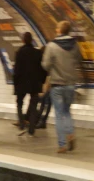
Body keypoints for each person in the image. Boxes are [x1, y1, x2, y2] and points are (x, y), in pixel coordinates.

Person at [41, 20, 82, 153]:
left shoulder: (52, 46)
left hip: (57, 84)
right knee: (67, 111)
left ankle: (62, 144)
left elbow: (45, 65)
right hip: (70, 84)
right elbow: (78, 60)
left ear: (59, 30)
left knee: (58, 114)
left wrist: (54, 66)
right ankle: (70, 133)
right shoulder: (75, 45)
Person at [12, 32, 46, 136]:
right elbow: (43, 69)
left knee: (19, 103)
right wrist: (42, 81)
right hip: (35, 83)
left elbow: (17, 70)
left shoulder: (19, 52)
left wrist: (15, 83)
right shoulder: (38, 53)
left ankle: (22, 124)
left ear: (23, 40)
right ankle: (31, 129)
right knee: (33, 105)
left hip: (22, 83)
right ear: (32, 40)